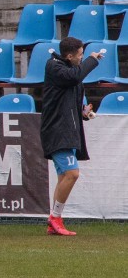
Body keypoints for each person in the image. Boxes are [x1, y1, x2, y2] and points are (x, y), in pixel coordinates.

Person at [40, 36, 101, 236]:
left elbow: (69, 94)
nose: (82, 59)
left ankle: (54, 221)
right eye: (81, 55)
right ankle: (55, 218)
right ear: (69, 56)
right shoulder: (54, 67)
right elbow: (74, 77)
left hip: (68, 130)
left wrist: (82, 112)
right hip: (58, 131)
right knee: (72, 174)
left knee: (63, 176)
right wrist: (93, 60)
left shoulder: (67, 71)